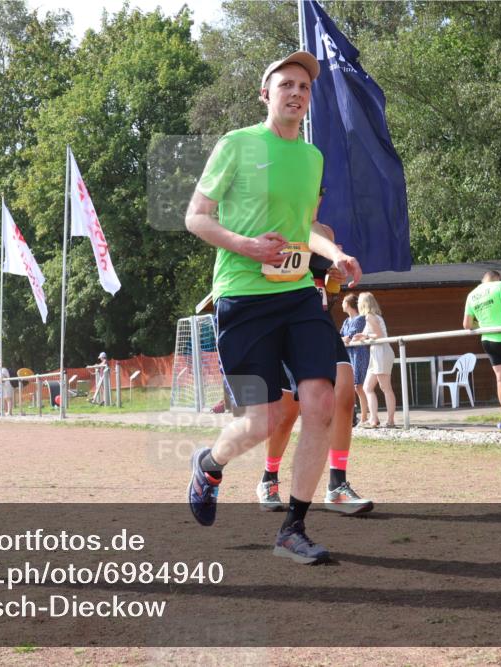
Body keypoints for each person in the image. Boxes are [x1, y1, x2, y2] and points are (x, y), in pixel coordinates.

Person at [184, 50, 362, 564]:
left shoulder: (312, 157)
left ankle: (293, 529)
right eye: (286, 84)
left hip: (299, 295)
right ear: (266, 94)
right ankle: (210, 464)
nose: (296, 93)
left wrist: (335, 252)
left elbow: (302, 225)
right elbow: (197, 217)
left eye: (304, 87)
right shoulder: (236, 145)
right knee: (261, 421)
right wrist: (246, 245)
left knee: (320, 402)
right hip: (242, 297)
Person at [255, 227, 373, 516]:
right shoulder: (275, 220)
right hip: (283, 324)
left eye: (320, 190)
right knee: (288, 412)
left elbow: (328, 291)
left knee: (344, 395)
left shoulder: (325, 232)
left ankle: (337, 486)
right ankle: (269, 478)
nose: (316, 195)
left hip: (318, 322)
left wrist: (334, 282)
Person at [464, 270, 501, 433]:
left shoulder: (472, 295)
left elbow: (467, 324)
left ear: (483, 279)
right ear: (497, 278)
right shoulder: (500, 286)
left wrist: (484, 325)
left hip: (487, 340)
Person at [356, 292, 396, 428]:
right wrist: (362, 336)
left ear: (364, 303)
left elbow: (378, 335)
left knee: (385, 387)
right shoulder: (373, 316)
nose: (357, 304)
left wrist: (365, 336)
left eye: (359, 301)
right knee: (367, 387)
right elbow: (373, 334)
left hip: (381, 352)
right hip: (376, 353)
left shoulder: (370, 317)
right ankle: (374, 419)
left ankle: (390, 420)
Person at [340, 293, 369, 426]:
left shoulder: (360, 319)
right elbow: (341, 337)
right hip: (348, 355)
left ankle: (364, 417)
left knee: (359, 385)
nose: (341, 304)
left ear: (348, 304)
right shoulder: (346, 321)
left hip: (359, 354)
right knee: (351, 386)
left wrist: (346, 339)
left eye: (343, 302)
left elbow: (352, 337)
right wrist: (344, 339)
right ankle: (355, 417)